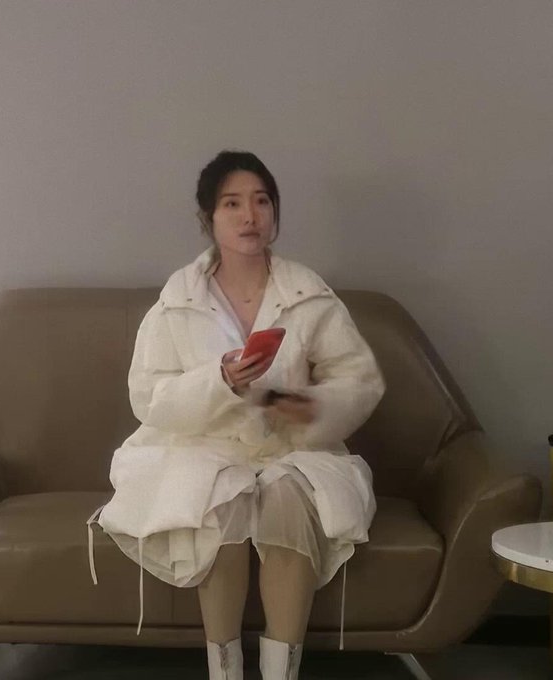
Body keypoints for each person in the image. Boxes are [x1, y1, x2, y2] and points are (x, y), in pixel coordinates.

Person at [87, 150, 384, 680]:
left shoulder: (308, 294)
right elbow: (149, 396)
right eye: (232, 204)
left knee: (288, 499)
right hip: (206, 447)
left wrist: (312, 406)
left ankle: (281, 674)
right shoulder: (177, 301)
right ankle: (224, 671)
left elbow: (358, 379)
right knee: (220, 498)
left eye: (261, 201)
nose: (250, 216)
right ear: (209, 218)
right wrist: (219, 381)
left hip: (290, 450)